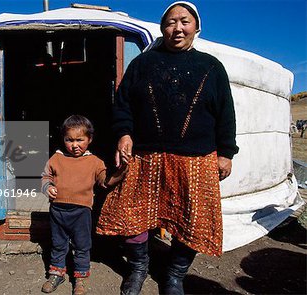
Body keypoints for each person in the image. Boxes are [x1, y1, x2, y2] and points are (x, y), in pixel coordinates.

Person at [96, 2, 239, 295]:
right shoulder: (143, 64)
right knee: (132, 215)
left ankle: (175, 275)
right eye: (171, 22)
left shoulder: (211, 67)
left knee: (192, 220)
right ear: (162, 29)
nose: (177, 28)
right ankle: (138, 267)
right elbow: (123, 104)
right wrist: (124, 134)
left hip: (195, 159)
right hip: (145, 156)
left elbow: (226, 113)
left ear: (196, 28)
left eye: (184, 22)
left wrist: (226, 152)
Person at [41, 115, 128, 295]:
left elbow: (105, 182)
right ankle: (56, 274)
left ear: (89, 139)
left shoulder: (95, 162)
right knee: (58, 244)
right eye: (69, 140)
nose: (74, 145)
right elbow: (45, 177)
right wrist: (47, 187)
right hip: (57, 211)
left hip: (81, 213)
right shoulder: (56, 159)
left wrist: (122, 171)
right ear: (63, 139)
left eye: (79, 140)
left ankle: (79, 279)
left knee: (82, 245)